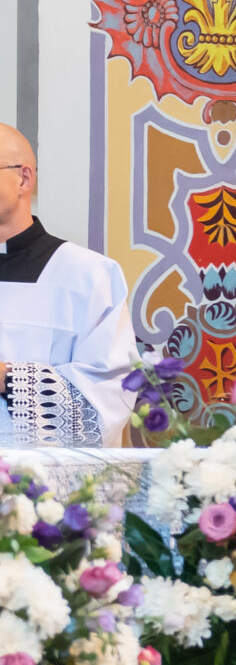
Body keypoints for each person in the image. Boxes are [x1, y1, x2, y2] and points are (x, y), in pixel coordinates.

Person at [0, 124, 137, 443]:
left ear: (23, 179)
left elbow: (109, 394)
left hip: (37, 471)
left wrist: (8, 377)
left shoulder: (87, 275)